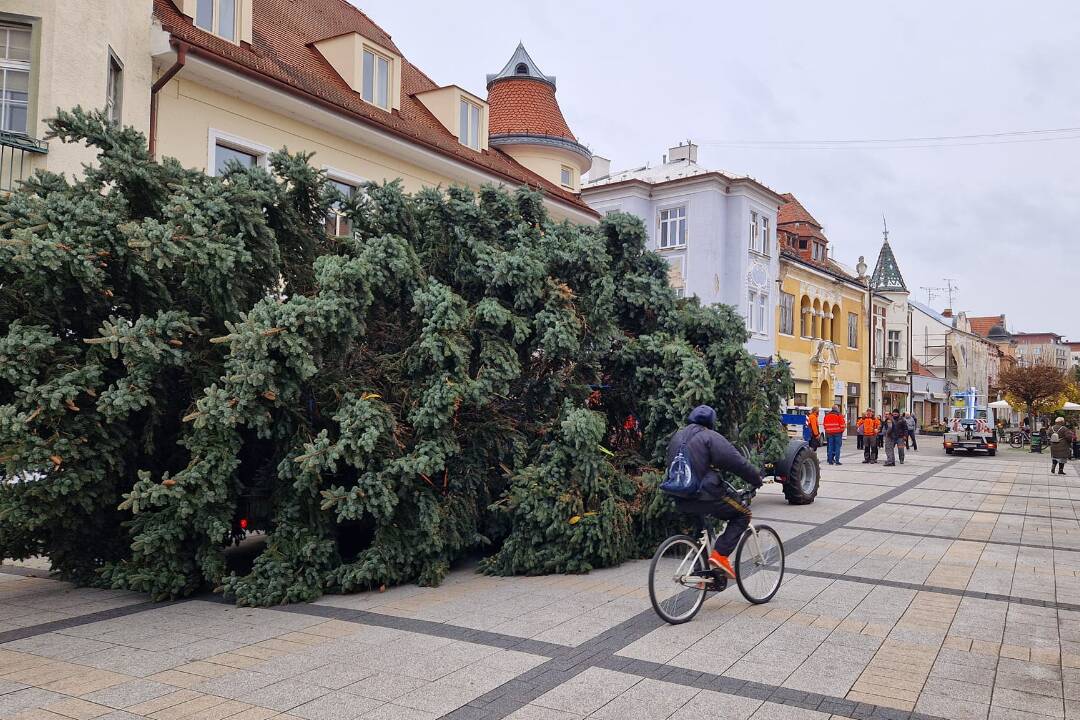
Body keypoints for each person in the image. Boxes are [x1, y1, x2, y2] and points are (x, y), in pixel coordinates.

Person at [665, 405, 764, 578]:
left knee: (700, 531)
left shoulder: (678, 437)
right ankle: (720, 555)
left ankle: (701, 574)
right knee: (743, 514)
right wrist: (756, 479)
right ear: (711, 422)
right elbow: (736, 462)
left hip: (679, 494)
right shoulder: (709, 437)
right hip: (704, 494)